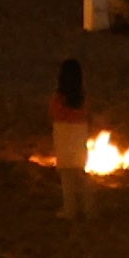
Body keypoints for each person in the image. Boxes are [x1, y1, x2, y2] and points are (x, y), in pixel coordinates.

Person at [49, 58, 91, 220]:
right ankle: (89, 208)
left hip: (64, 132)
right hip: (79, 132)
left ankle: (70, 209)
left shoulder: (59, 97)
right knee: (80, 172)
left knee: (67, 175)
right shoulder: (82, 97)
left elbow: (55, 113)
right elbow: (86, 113)